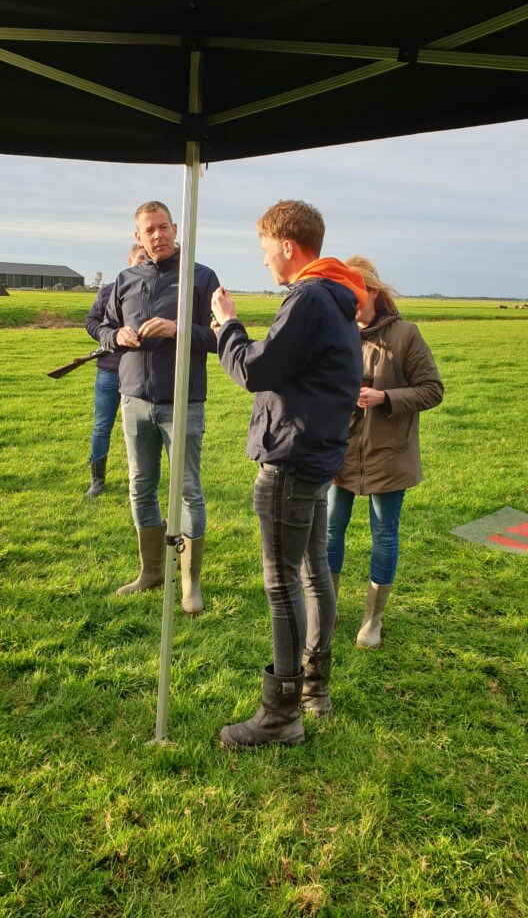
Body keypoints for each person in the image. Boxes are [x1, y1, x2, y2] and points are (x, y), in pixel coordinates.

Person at [211, 200, 367, 749]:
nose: (264, 263)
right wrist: (232, 334)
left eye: (264, 251)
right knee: (313, 570)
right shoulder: (338, 298)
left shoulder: (306, 297)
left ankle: (280, 715)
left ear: (286, 245)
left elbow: (256, 370)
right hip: (319, 456)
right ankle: (314, 689)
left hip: (292, 460)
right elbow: (282, 362)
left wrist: (228, 326)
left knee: (282, 583)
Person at [97, 201, 220, 616]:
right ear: (138, 236)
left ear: (175, 228)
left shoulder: (200, 277)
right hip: (134, 400)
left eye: (163, 227)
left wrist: (178, 330)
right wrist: (116, 337)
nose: (157, 236)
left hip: (183, 401)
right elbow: (97, 325)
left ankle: (190, 583)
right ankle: (151, 571)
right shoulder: (125, 278)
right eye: (148, 230)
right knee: (140, 486)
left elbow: (221, 337)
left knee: (188, 491)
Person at [327, 256, 443, 650]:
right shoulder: (335, 333)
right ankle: (328, 609)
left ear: (373, 292)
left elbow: (432, 389)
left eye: (353, 294)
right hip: (339, 451)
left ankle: (372, 620)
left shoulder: (406, 335)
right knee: (329, 530)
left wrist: (385, 396)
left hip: (389, 453)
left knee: (384, 534)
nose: (346, 302)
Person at [83, 244, 148, 497]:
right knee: (102, 425)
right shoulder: (109, 290)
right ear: (130, 260)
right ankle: (97, 480)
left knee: (142, 428)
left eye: (148, 259)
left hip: (143, 370)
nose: (144, 262)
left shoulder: (156, 290)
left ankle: (140, 480)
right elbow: (91, 322)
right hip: (110, 369)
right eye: (140, 258)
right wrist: (111, 336)